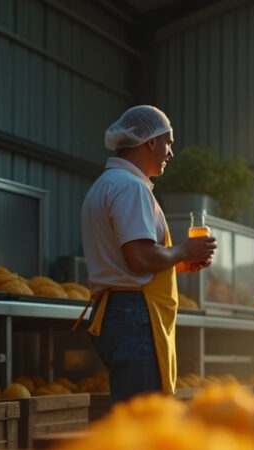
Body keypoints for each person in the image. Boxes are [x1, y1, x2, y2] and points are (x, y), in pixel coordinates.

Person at [77, 105, 217, 404]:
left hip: (117, 309)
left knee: (133, 409)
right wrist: (183, 249)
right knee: (143, 416)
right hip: (133, 313)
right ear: (150, 141)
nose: (170, 153)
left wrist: (179, 261)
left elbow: (127, 262)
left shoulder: (106, 184)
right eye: (168, 142)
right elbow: (139, 259)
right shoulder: (130, 188)